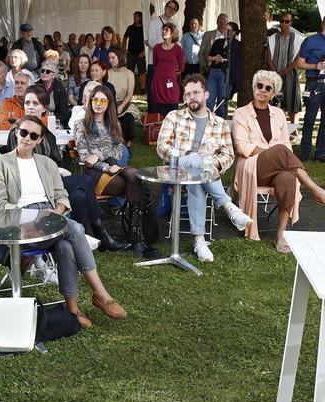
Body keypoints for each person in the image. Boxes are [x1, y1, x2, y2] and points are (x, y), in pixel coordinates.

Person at [0, 115, 127, 328]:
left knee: (65, 246)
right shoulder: (0, 163)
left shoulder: (46, 163)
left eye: (33, 135)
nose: (26, 138)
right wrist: (37, 216)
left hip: (51, 216)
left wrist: (59, 210)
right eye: (23, 132)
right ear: (16, 132)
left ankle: (73, 310)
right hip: (21, 222)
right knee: (74, 227)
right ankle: (101, 294)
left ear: (39, 139)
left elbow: (62, 194)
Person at [4, 86, 124, 251]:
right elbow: (19, 165)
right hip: (32, 186)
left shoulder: (49, 136)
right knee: (84, 180)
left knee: (79, 195)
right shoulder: (17, 134)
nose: (30, 106)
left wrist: (60, 169)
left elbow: (56, 161)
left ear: (44, 108)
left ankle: (86, 236)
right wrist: (55, 170)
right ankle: (99, 231)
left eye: (36, 103)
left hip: (52, 180)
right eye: (27, 103)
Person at [156, 73, 252, 263]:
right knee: (195, 161)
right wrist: (188, 157)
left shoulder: (220, 124)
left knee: (197, 181)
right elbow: (162, 147)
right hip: (177, 167)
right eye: (188, 94)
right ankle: (228, 206)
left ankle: (199, 240)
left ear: (206, 95)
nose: (192, 97)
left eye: (196, 92)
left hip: (206, 172)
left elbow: (228, 155)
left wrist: (215, 164)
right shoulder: (174, 117)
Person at [232, 70, 325, 252]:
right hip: (252, 166)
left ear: (273, 93)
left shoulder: (279, 114)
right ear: (254, 88)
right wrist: (273, 153)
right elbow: (243, 147)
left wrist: (277, 155)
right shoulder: (241, 113)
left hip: (278, 167)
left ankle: (281, 234)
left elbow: (287, 148)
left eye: (268, 88)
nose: (263, 90)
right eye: (259, 86)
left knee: (288, 179)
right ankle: (315, 189)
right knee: (280, 150)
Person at [74, 84, 159, 257]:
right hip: (95, 175)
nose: (98, 103)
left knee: (133, 176)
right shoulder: (81, 124)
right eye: (95, 99)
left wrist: (98, 154)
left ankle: (136, 239)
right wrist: (105, 165)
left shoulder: (113, 123)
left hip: (114, 168)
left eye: (103, 100)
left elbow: (119, 150)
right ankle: (138, 239)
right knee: (137, 183)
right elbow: (84, 157)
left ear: (109, 103)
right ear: (90, 101)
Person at [295, 15, 325, 162]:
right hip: (314, 83)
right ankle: (305, 153)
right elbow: (299, 63)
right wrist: (315, 66)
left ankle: (320, 154)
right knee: (310, 119)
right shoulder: (311, 40)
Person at [266, 12, 303, 126]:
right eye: (282, 21)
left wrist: (285, 71)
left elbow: (298, 59)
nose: (283, 24)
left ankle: (293, 129)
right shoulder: (272, 38)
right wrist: (276, 72)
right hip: (274, 73)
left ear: (291, 23)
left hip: (290, 72)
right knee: (274, 100)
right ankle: (276, 126)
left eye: (287, 21)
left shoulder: (297, 39)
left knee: (293, 101)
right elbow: (268, 58)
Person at [146, 0, 179, 101]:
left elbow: (178, 40)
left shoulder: (176, 23)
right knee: (153, 91)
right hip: (155, 62)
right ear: (165, 7)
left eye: (174, 9)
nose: (171, 10)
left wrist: (166, 44)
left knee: (169, 90)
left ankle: (169, 113)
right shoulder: (154, 22)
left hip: (170, 63)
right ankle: (153, 114)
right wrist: (167, 44)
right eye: (170, 7)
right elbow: (151, 41)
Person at [149, 22, 184, 116]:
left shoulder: (177, 49)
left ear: (172, 33)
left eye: (167, 30)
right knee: (159, 114)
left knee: (172, 112)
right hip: (158, 83)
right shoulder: (157, 47)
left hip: (171, 84)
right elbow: (155, 64)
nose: (163, 32)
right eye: (163, 30)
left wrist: (171, 73)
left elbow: (181, 67)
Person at [106, 47, 137, 145]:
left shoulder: (129, 73)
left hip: (124, 104)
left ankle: (128, 140)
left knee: (128, 117)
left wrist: (121, 106)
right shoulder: (107, 73)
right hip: (110, 104)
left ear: (119, 57)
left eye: (113, 57)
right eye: (109, 58)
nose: (111, 60)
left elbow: (129, 94)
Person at [36, 60, 70, 127]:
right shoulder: (35, 87)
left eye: (48, 71)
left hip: (55, 122)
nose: (44, 73)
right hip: (37, 121)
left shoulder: (60, 89)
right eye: (42, 71)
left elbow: (64, 113)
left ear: (54, 75)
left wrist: (50, 120)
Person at [123, 11, 146, 93]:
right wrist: (124, 49)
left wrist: (144, 52)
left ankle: (143, 89)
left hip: (141, 54)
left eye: (136, 16)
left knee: (142, 72)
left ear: (140, 17)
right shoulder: (130, 28)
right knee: (129, 72)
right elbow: (125, 38)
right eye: (134, 16)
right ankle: (129, 88)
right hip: (131, 54)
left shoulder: (145, 28)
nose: (134, 18)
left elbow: (148, 41)